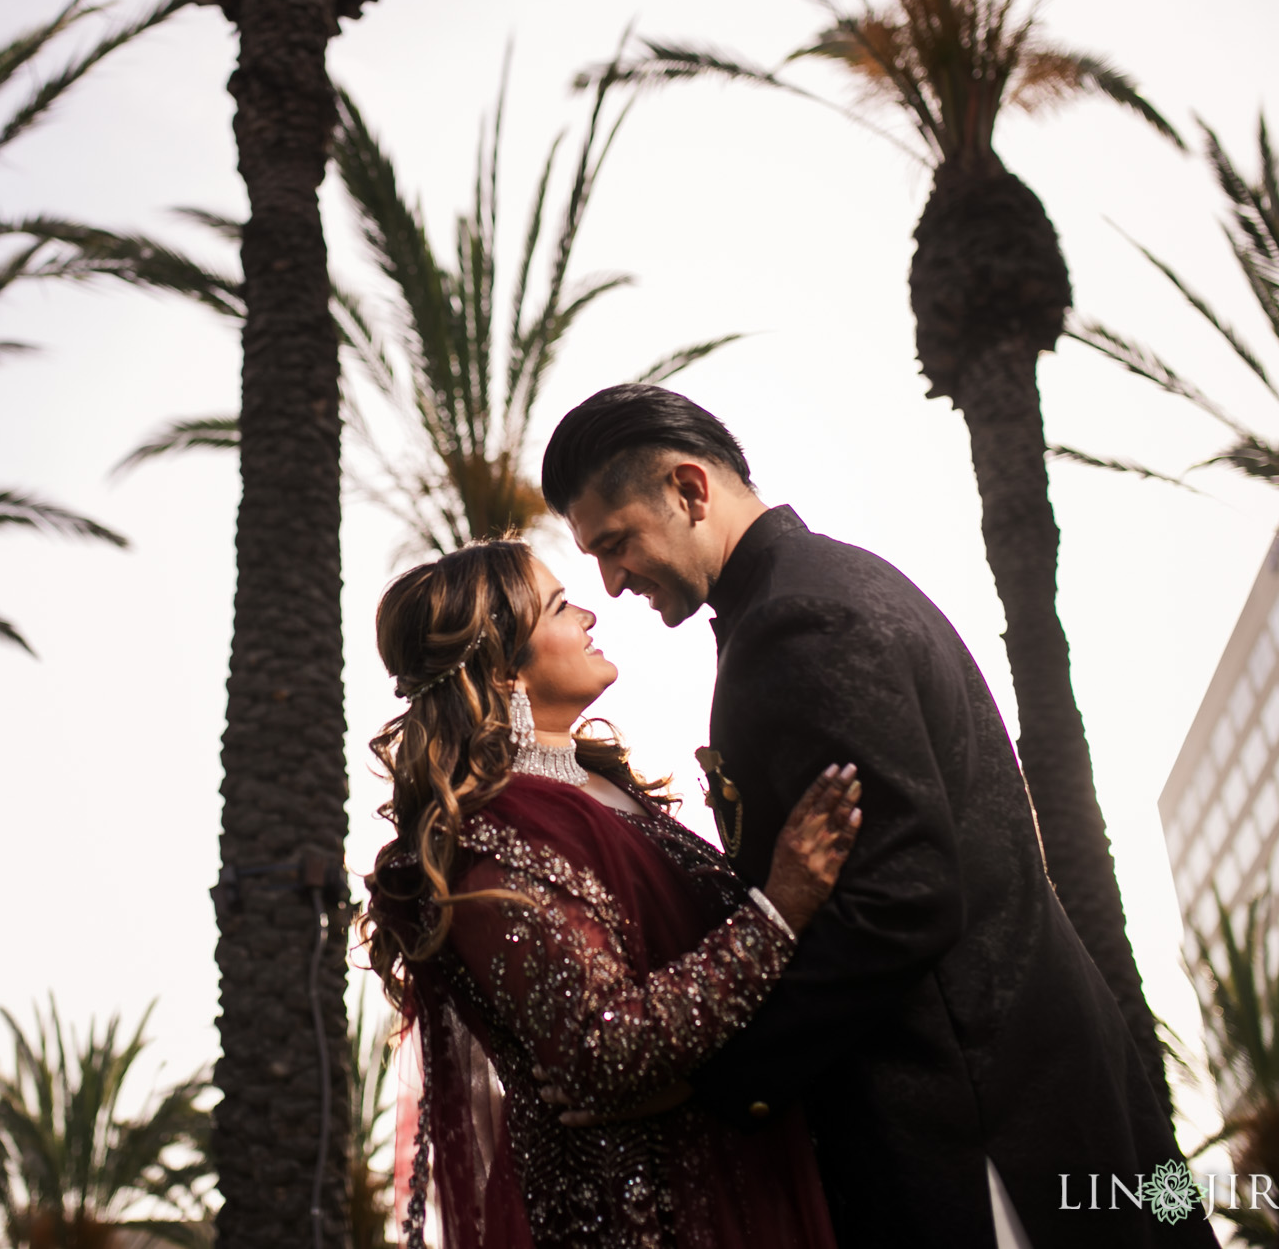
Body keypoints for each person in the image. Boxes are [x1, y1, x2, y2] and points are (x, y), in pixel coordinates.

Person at [538, 384, 1218, 1249]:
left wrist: (713, 1081)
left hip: (985, 1133)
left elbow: (902, 901)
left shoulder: (797, 623)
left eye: (616, 542)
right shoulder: (825, 584)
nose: (611, 580)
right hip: (1034, 1091)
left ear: (689, 489)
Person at [361, 538, 862, 1249]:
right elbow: (603, 1049)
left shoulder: (602, 787)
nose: (592, 613)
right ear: (504, 668)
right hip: (648, 1211)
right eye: (562, 607)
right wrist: (779, 906)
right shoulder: (489, 841)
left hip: (742, 1160)